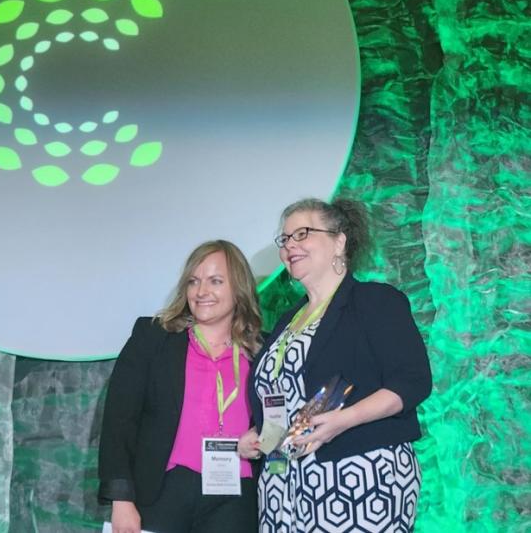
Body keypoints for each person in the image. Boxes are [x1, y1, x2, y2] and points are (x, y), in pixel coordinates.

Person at [238, 198, 432, 532]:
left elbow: (412, 381)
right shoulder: (287, 320)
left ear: (339, 240)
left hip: (359, 476)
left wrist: (344, 420)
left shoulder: (375, 300)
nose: (290, 246)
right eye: (285, 239)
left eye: (302, 233)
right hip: (282, 486)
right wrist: (257, 437)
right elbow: (281, 400)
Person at [98, 240, 262, 533]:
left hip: (236, 499)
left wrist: (263, 438)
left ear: (239, 288)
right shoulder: (153, 338)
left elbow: (279, 419)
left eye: (215, 281)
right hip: (162, 492)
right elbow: (119, 421)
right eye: (194, 281)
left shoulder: (262, 351)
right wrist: (121, 500)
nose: (201, 292)